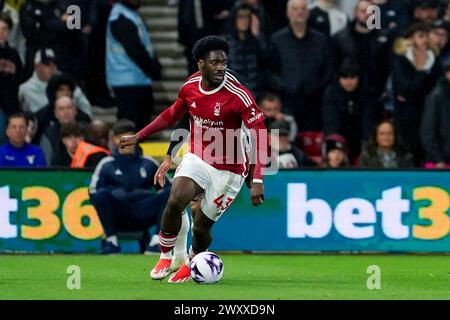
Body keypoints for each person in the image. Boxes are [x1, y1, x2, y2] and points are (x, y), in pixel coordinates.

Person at [119, 35, 267, 283]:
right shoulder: (190, 87)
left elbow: (260, 132)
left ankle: (192, 260)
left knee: (201, 227)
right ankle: (166, 256)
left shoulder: (237, 94)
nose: (221, 67)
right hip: (198, 156)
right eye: (215, 62)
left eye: (224, 62)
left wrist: (258, 177)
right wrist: (140, 136)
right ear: (200, 64)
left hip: (230, 169)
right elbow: (172, 115)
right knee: (176, 198)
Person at [89, 119, 176, 255]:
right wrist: (114, 193)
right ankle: (111, 242)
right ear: (114, 139)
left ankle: (156, 242)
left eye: (129, 137)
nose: (126, 142)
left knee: (171, 193)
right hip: (118, 213)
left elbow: (169, 188)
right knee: (101, 194)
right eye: (121, 137)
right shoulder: (107, 164)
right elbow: (93, 192)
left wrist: (147, 195)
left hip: (143, 212)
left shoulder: (148, 163)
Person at [268, 0, 333, 132]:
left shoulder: (320, 39)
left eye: (303, 9)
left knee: (312, 140)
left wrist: (317, 87)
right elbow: (270, 70)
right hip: (287, 101)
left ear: (308, 13)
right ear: (288, 13)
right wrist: (284, 87)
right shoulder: (277, 40)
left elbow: (328, 69)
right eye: (295, 9)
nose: (299, 12)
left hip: (314, 101)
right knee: (288, 137)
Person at [106, 0, 162, 131]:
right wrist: (153, 69)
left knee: (141, 116)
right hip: (127, 78)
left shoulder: (128, 14)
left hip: (133, 77)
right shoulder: (122, 17)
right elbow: (135, 49)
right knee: (131, 121)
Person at [391, 22, 439, 166]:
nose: (425, 40)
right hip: (407, 118)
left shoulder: (435, 60)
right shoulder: (401, 61)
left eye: (427, 36)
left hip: (430, 115)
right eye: (420, 36)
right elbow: (407, 90)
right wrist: (421, 69)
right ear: (411, 40)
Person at [332, 0, 392, 99]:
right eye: (363, 11)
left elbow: (387, 67)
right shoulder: (340, 38)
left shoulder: (383, 39)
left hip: (374, 94)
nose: (367, 15)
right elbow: (334, 66)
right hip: (346, 94)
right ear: (355, 12)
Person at [322, 61, 378, 164]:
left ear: (359, 78)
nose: (348, 82)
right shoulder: (331, 94)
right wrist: (335, 148)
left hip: (360, 138)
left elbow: (368, 123)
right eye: (344, 78)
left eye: (352, 78)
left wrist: (366, 149)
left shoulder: (367, 94)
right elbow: (331, 124)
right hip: (339, 138)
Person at [19, 48, 92, 116]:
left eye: (54, 64)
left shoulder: (66, 81)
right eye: (47, 65)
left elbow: (85, 106)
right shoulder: (25, 89)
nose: (52, 68)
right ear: (37, 66)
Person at [224, 3, 268, 99]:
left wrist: (258, 35)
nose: (244, 20)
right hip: (233, 96)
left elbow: (267, 60)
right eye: (240, 16)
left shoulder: (256, 41)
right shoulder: (225, 43)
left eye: (247, 17)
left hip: (255, 95)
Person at [39, 96, 89, 164]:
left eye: (69, 108)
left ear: (75, 111)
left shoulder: (87, 130)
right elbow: (47, 163)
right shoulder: (48, 134)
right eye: (61, 109)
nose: (66, 112)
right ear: (56, 113)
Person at [420, 62, 450, 169]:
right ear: (447, 74)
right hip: (441, 163)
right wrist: (437, 159)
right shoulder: (436, 97)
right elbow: (427, 131)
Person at [0, 13, 22, 144]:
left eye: (4, 29)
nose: (1, 33)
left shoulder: (14, 55)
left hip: (11, 105)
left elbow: (19, 80)